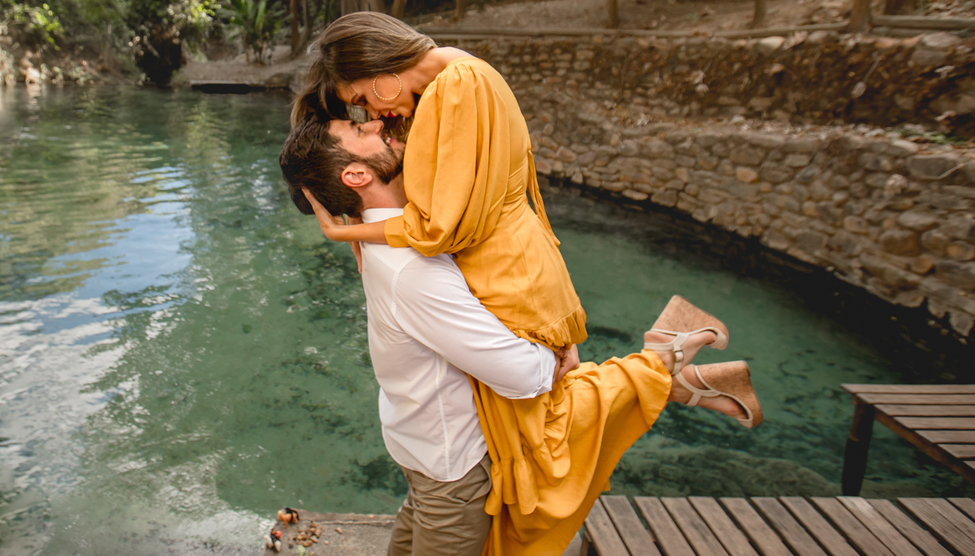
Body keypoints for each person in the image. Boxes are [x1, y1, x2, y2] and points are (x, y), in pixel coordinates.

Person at [280, 111, 763, 556]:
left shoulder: (393, 237)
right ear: (356, 176)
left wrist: (344, 225)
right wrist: (557, 350)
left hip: (430, 453)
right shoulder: (410, 266)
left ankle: (671, 363)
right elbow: (525, 376)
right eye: (361, 130)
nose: (378, 124)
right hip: (443, 467)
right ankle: (668, 362)